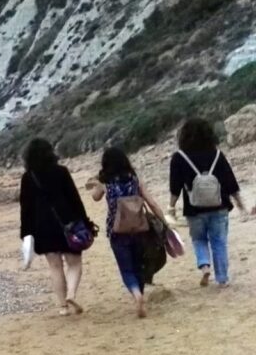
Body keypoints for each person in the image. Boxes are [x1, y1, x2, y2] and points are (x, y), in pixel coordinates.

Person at [87, 147, 169, 318]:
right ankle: (140, 293)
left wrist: (97, 182)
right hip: (140, 228)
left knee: (126, 269)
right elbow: (151, 203)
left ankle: (136, 295)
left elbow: (94, 197)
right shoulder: (134, 179)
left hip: (116, 231)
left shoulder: (106, 182)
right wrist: (163, 220)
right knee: (139, 265)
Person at [169, 117, 247, 287]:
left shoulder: (179, 157)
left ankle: (204, 266)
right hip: (219, 207)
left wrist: (171, 207)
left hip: (194, 209)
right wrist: (241, 205)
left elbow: (175, 186)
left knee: (198, 239)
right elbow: (230, 182)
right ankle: (222, 279)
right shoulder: (217, 154)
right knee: (219, 242)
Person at [19, 138, 93, 316]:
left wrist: (26, 232)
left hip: (42, 227)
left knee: (55, 267)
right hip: (68, 222)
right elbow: (75, 199)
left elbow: (25, 207)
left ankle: (62, 307)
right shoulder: (61, 172)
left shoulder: (28, 177)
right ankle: (71, 294)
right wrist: (85, 221)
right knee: (74, 263)